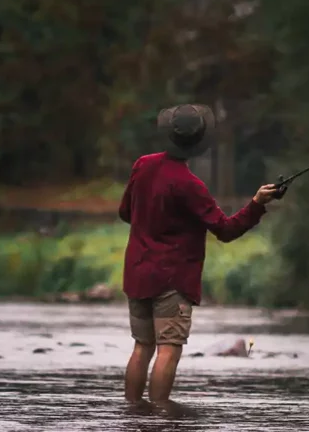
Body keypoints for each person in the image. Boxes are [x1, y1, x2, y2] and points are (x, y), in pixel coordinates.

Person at [118, 103, 279, 405]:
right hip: (172, 281)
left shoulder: (143, 164)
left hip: (138, 272)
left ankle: (133, 414)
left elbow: (126, 212)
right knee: (168, 348)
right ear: (199, 143)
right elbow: (226, 230)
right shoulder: (191, 186)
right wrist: (257, 203)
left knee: (142, 346)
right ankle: (161, 417)